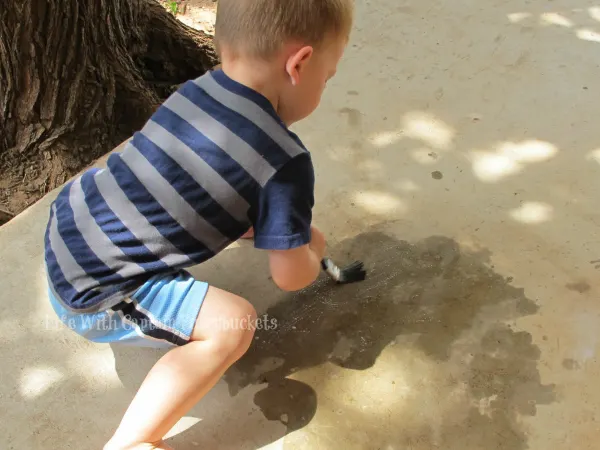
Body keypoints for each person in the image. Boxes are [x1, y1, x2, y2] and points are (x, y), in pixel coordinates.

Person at [43, 0, 353, 448]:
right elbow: (290, 277)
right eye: (328, 76)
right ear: (300, 64)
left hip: (70, 226)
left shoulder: (199, 88)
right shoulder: (284, 160)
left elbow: (190, 179)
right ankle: (133, 441)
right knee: (235, 324)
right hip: (93, 294)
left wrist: (266, 225)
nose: (325, 85)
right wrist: (309, 249)